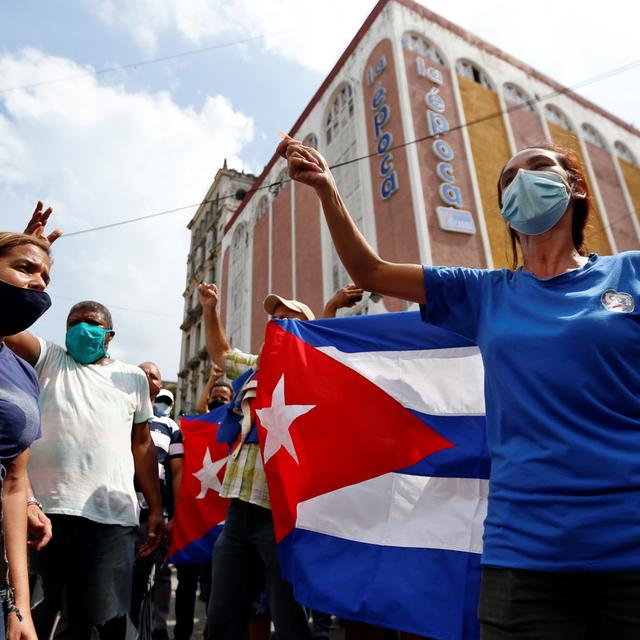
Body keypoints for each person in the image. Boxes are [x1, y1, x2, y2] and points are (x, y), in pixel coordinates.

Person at [278, 135, 640, 638]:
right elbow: (372, 271)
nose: (521, 182)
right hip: (525, 560)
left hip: (630, 549)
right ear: (505, 210)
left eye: (537, 167)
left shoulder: (631, 273)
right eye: (508, 180)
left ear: (574, 187)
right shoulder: (486, 293)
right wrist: (327, 188)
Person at [7, 299, 165, 639]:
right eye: (73, 323)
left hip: (112, 520)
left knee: (100, 623)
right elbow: (10, 330)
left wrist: (155, 507)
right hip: (44, 516)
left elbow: (142, 444)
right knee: (30, 615)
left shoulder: (134, 379)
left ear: (109, 334)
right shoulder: (50, 359)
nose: (81, 329)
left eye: (90, 323)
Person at [0, 210, 59, 640]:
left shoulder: (23, 373)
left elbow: (14, 485)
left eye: (46, 277)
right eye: (25, 269)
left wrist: (20, 603)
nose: (39, 283)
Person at [131, 364, 184, 640]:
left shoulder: (170, 426)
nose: (147, 377)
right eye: (142, 372)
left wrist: (171, 515)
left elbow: (176, 473)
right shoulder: (120, 411)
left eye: (154, 375)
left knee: (145, 586)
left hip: (150, 517)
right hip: (113, 511)